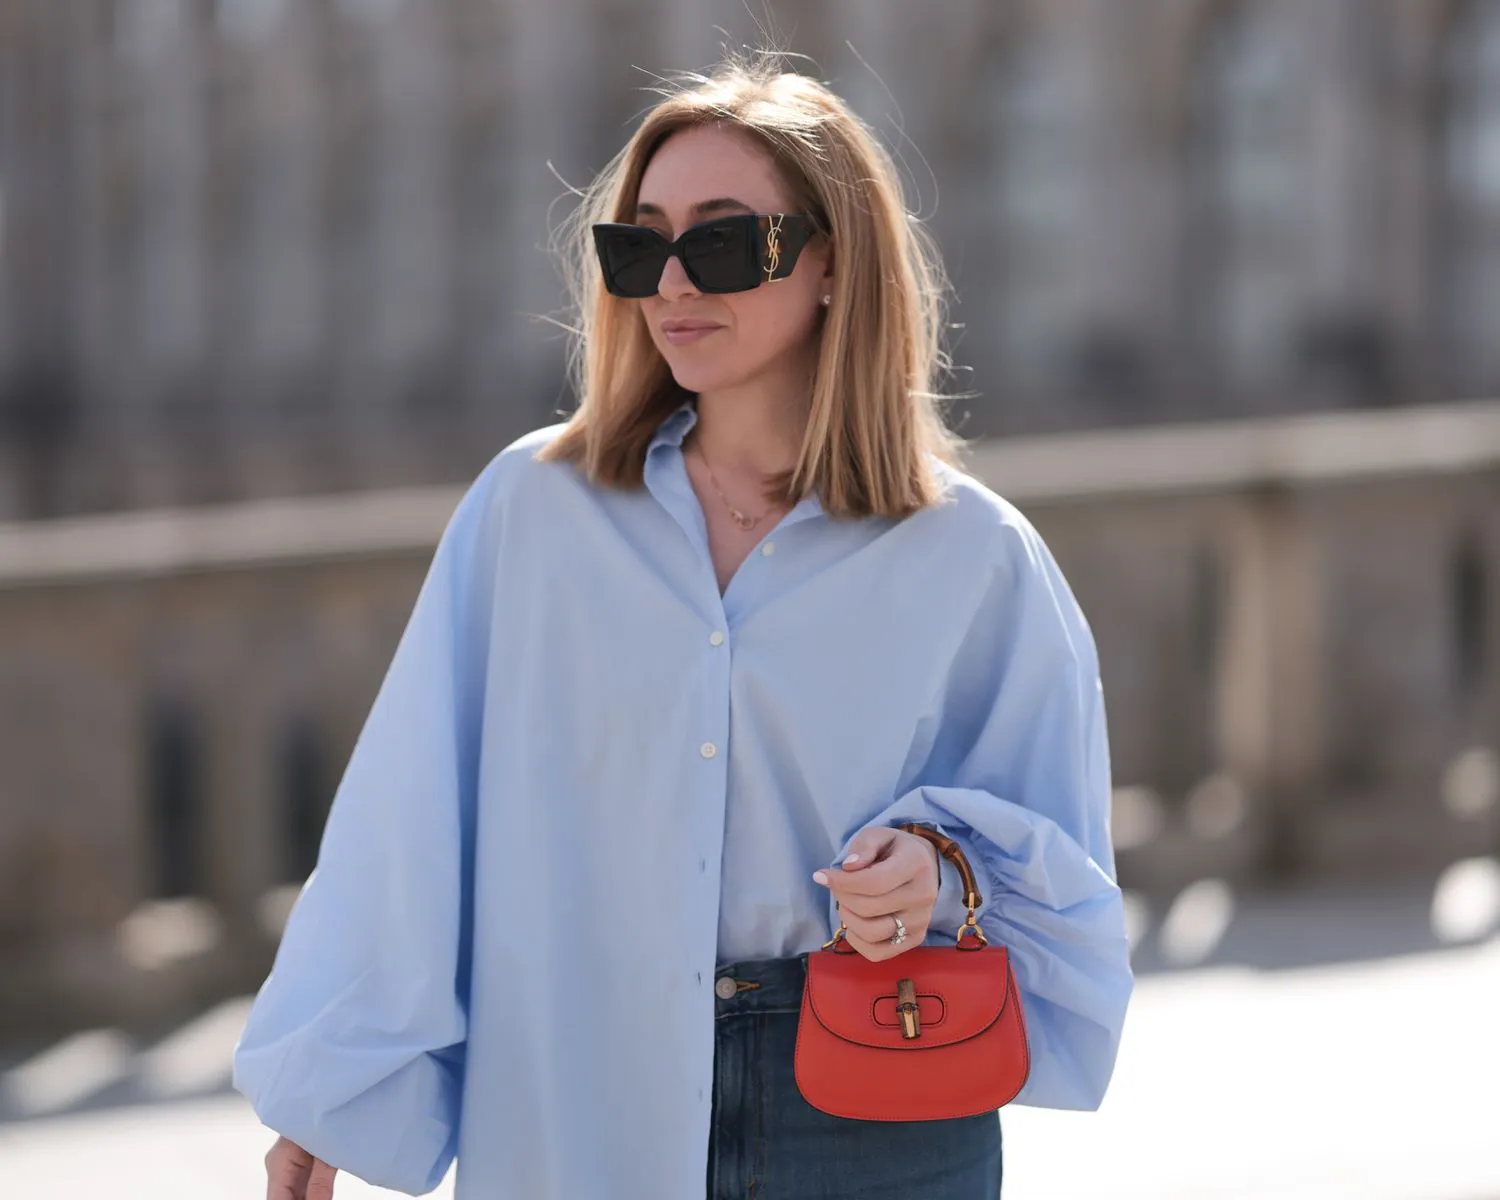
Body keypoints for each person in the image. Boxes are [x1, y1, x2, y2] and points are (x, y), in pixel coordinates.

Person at [234, 55, 1134, 1200]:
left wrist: (937, 867)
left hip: (872, 1095)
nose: (670, 282)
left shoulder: (972, 554)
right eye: (640, 245)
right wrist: (327, 1098)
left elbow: (1057, 859)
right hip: (581, 1086)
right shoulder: (533, 513)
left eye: (721, 241)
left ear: (832, 261)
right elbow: (408, 819)